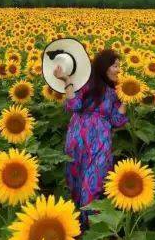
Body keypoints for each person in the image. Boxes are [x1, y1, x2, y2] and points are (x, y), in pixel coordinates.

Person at [53, 48, 127, 226]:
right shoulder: (86, 84)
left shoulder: (115, 92)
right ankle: (77, 228)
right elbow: (73, 104)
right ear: (104, 67)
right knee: (76, 185)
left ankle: (92, 231)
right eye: (115, 66)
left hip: (101, 143)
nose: (118, 70)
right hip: (77, 141)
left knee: (94, 186)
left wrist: (127, 98)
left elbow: (117, 121)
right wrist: (67, 80)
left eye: (119, 67)